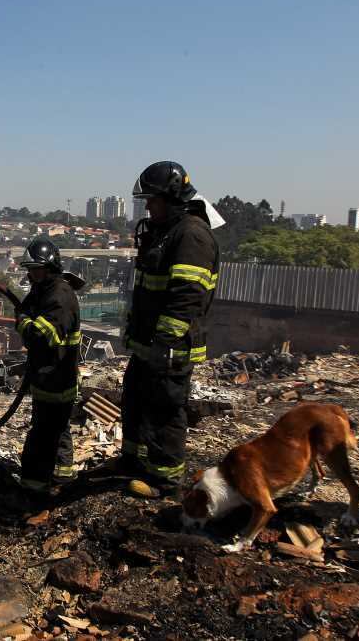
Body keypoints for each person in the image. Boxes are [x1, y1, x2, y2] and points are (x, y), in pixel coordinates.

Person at [118, 161, 220, 498]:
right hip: (149, 344)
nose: (147, 206)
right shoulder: (165, 231)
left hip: (171, 346)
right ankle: (131, 461)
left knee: (165, 408)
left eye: (152, 199)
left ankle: (165, 480)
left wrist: (164, 340)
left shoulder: (191, 234)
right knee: (134, 398)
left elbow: (187, 298)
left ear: (172, 196)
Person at [14, 239, 81, 497]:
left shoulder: (59, 296)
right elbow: (27, 309)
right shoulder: (43, 289)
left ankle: (34, 487)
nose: (30, 274)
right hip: (49, 374)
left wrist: (23, 323)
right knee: (57, 428)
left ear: (49, 266)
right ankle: (62, 475)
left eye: (34, 268)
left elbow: (40, 336)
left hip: (56, 378)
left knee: (42, 435)